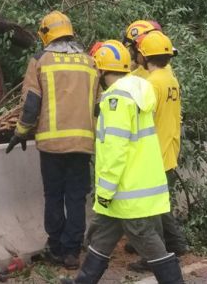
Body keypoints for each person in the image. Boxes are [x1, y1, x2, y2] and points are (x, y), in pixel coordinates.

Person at [63, 40, 184, 284]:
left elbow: (116, 150)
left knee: (145, 237)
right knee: (104, 237)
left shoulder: (115, 100)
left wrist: (105, 189)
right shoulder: (138, 91)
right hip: (134, 184)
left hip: (126, 189)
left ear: (101, 70)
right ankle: (83, 281)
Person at [6, 11, 98, 269]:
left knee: (54, 196)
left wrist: (21, 132)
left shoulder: (40, 61)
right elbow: (98, 105)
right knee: (77, 198)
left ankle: (56, 248)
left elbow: (31, 104)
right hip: (82, 145)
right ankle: (72, 253)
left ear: (45, 35)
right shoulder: (90, 62)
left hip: (52, 145)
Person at [127, 31, 189, 272]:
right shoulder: (170, 79)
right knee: (161, 206)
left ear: (144, 56)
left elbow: (140, 118)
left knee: (151, 209)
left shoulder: (151, 84)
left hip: (154, 153)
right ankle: (176, 244)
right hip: (169, 148)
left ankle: (157, 256)